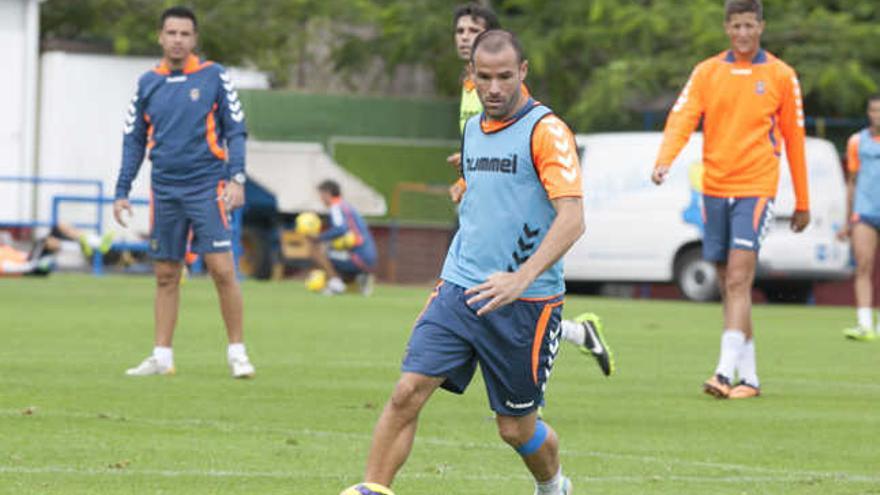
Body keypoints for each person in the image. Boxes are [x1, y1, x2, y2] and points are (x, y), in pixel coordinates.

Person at [345, 30, 581, 495]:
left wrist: (521, 277)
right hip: (458, 289)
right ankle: (373, 488)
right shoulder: (472, 130)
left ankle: (554, 486)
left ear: (524, 72)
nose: (494, 88)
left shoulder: (546, 131)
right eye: (485, 77)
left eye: (505, 77)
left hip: (525, 303)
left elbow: (572, 218)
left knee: (514, 428)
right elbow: (488, 200)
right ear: (471, 75)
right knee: (406, 392)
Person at [652, 0, 810, 399]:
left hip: (756, 186)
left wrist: (803, 201)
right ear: (726, 28)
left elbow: (795, 140)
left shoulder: (780, 75)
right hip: (715, 188)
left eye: (749, 25)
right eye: (736, 25)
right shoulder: (707, 72)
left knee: (739, 278)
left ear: (761, 26)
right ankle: (751, 378)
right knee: (728, 282)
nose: (743, 33)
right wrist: (664, 160)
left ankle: (723, 373)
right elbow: (682, 117)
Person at [446, 3, 614, 377]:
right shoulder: (468, 85)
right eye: (459, 32)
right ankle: (577, 335)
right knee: (493, 295)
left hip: (523, 217)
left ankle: (525, 396)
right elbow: (486, 145)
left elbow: (518, 141)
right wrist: (467, 177)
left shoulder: (505, 90)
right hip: (485, 211)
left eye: (472, 32)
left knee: (518, 296)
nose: (464, 38)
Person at [113, 6, 255, 378]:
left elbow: (236, 129)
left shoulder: (213, 76)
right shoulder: (147, 84)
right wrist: (122, 190)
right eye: (171, 33)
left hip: (207, 184)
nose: (177, 40)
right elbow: (133, 139)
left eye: (184, 34)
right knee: (165, 273)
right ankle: (161, 355)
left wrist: (237, 178)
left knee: (221, 269)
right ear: (160, 37)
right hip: (165, 189)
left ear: (194, 39)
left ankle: (237, 353)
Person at [839, 94, 880, 342]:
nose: (877, 115)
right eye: (873, 110)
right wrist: (847, 219)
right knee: (863, 266)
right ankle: (864, 324)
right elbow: (852, 182)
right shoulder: (857, 141)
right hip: (865, 212)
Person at [306, 180, 378, 296]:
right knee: (334, 247)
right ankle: (360, 279)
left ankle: (336, 284)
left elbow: (340, 229)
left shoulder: (336, 207)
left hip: (358, 258)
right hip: (369, 258)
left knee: (317, 250)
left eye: (321, 195)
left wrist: (319, 237)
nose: (321, 199)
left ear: (327, 193)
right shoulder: (347, 206)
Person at [0, 223, 112, 276]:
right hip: (32, 265)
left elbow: (12, 251)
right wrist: (37, 264)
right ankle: (92, 244)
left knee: (59, 226)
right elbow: (17, 268)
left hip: (30, 257)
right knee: (47, 241)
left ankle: (94, 242)